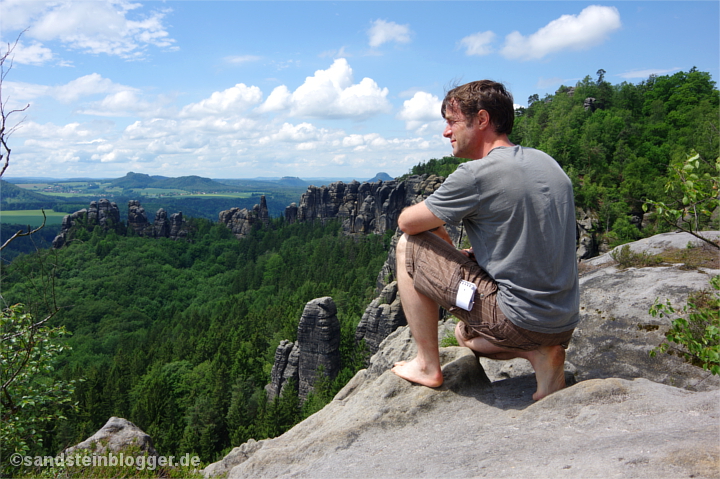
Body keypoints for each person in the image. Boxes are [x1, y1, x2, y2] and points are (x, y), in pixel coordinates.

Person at [391, 80, 579, 400]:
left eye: (452, 122)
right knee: (465, 335)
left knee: (408, 245)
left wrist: (451, 256)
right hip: (563, 323)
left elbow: (407, 223)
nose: (445, 132)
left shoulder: (475, 174)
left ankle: (426, 365)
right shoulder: (548, 163)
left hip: (517, 320)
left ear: (481, 120)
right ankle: (540, 355)